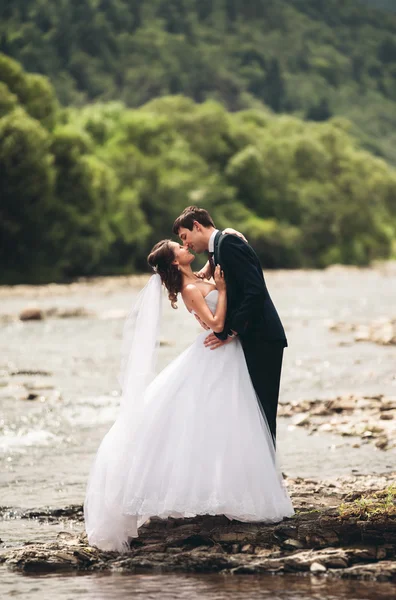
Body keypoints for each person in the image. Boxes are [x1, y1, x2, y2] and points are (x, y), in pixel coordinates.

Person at [84, 237, 293, 552]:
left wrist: (229, 243)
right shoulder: (191, 290)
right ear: (174, 262)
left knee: (230, 421)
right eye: (179, 247)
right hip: (217, 354)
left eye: (183, 242)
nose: (185, 248)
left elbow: (216, 252)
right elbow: (217, 324)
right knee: (210, 420)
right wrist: (222, 290)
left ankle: (231, 489)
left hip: (229, 356)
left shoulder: (197, 277)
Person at [173, 206, 287, 441]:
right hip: (250, 337)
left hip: (262, 336)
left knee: (263, 412)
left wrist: (230, 330)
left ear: (197, 226)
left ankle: (267, 474)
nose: (186, 244)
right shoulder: (219, 249)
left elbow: (254, 291)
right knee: (253, 412)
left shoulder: (229, 245)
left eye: (185, 237)